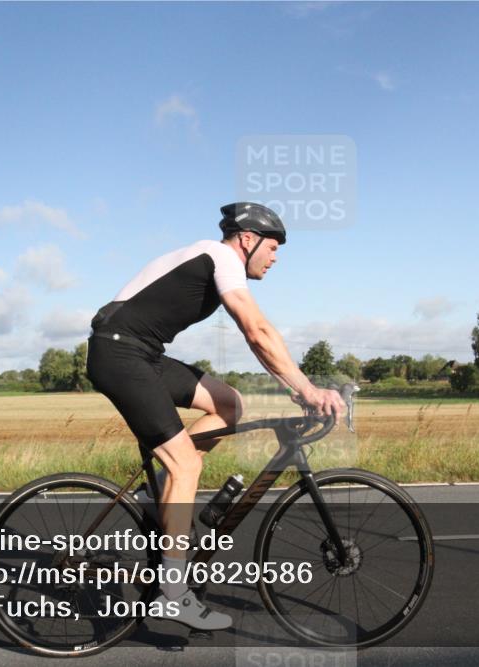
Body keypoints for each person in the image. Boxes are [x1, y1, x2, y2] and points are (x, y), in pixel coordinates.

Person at [86, 202, 345, 630]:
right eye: (274, 247)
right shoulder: (222, 257)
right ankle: (172, 593)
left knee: (230, 404)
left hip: (142, 353)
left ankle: (161, 499)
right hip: (119, 353)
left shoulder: (214, 258)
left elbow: (258, 340)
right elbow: (257, 331)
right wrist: (309, 389)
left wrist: (292, 386)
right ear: (248, 239)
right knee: (186, 461)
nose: (276, 257)